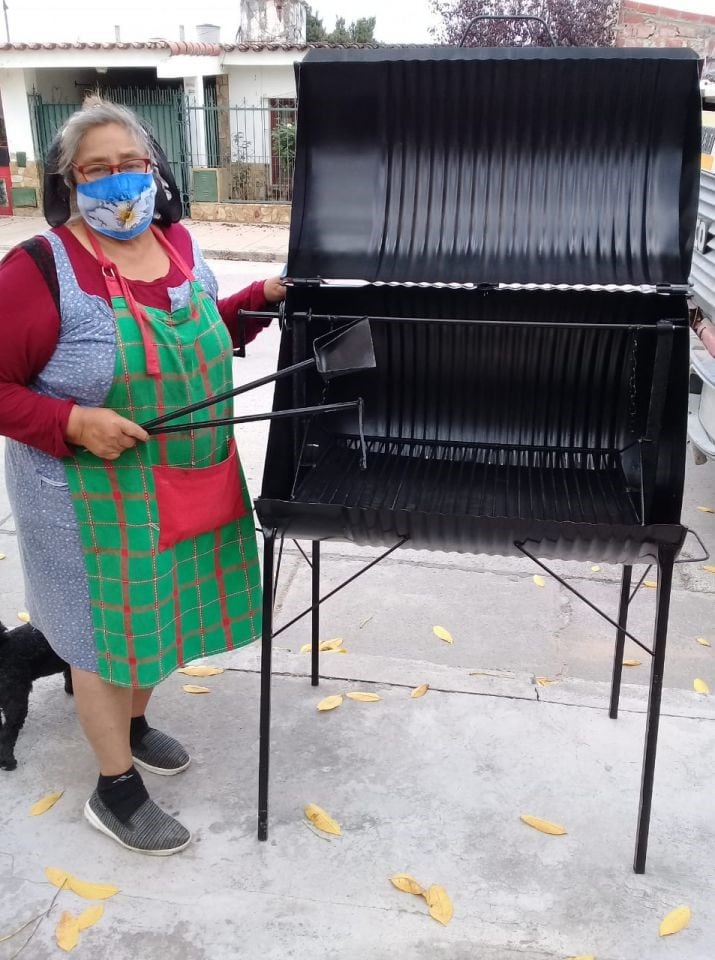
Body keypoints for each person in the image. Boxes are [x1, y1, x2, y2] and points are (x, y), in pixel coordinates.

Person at [0, 97, 285, 855]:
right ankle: (113, 787)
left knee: (161, 615)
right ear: (68, 181)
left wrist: (254, 303)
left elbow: (197, 334)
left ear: (155, 174)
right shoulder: (36, 270)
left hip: (185, 475)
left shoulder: (179, 243)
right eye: (97, 171)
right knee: (101, 637)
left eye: (132, 167)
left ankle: (130, 720)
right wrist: (68, 422)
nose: (119, 185)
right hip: (82, 494)